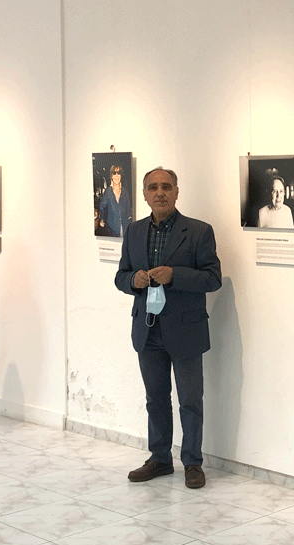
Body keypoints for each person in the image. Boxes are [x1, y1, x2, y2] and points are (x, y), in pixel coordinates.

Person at [115, 167, 222, 489]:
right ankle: (160, 459)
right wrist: (132, 281)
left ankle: (192, 462)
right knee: (155, 399)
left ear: (177, 192)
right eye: (152, 188)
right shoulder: (133, 231)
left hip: (186, 331)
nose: (159, 193)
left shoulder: (199, 231)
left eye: (166, 187)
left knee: (190, 400)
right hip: (147, 329)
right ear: (145, 195)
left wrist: (176, 275)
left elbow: (213, 278)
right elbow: (121, 275)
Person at [96, 163, 134, 237]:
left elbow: (129, 210)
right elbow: (102, 207)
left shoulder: (125, 192)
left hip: (125, 228)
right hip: (112, 229)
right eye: (114, 173)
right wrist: (102, 219)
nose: (116, 175)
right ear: (111, 176)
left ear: (121, 176)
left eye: (118, 173)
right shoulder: (108, 192)